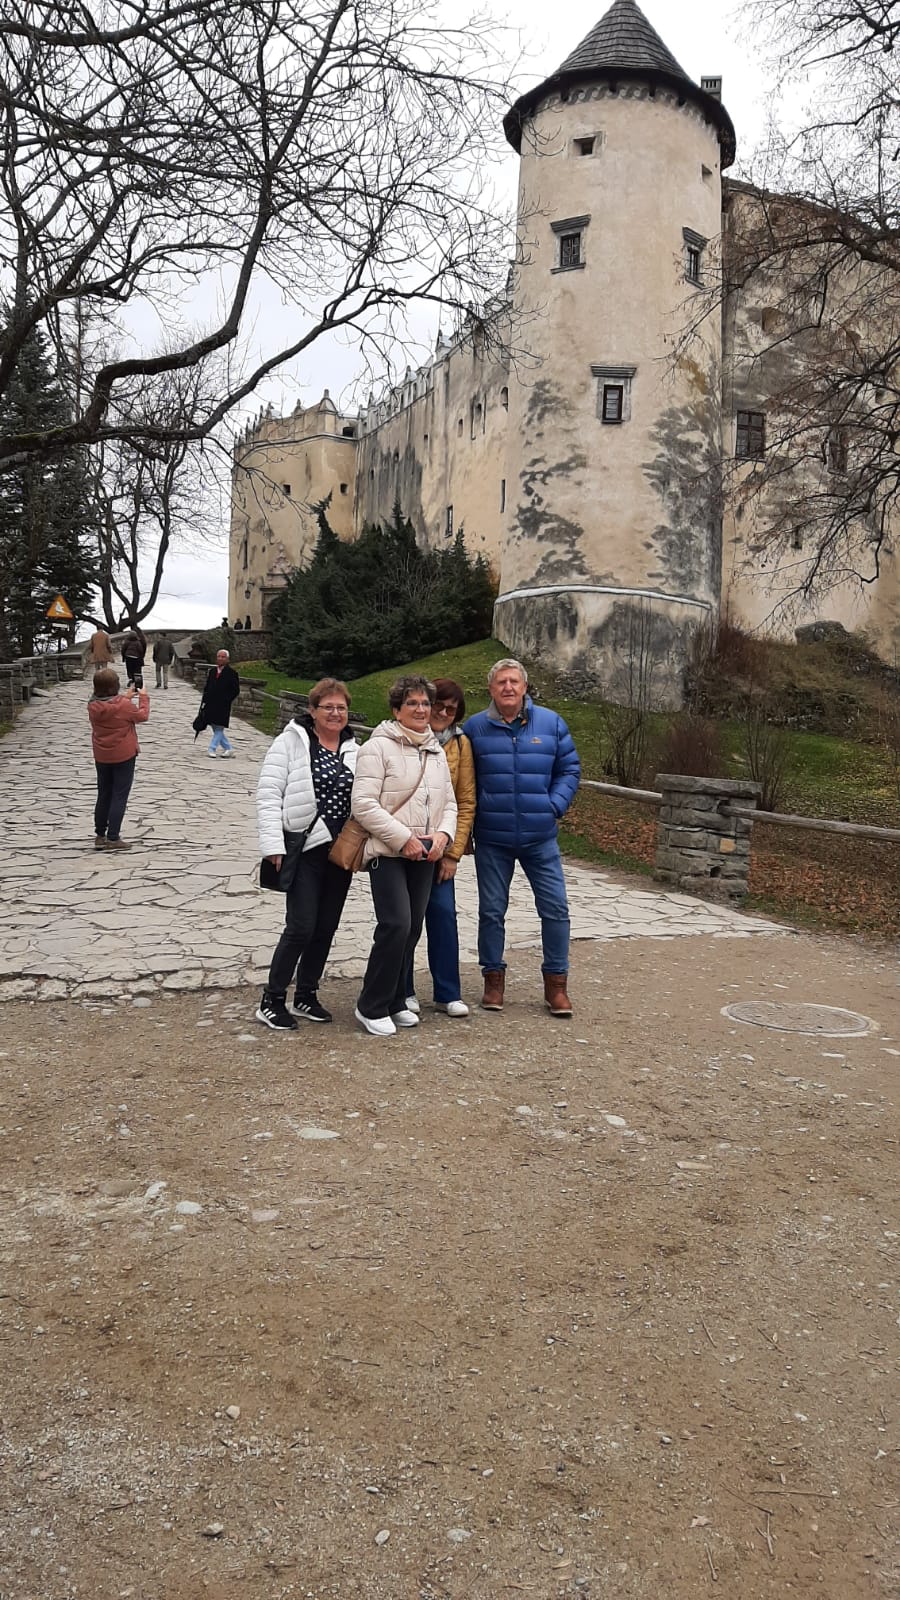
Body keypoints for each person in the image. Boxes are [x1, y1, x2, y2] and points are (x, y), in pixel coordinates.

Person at [463, 658, 580, 1017]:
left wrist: (553, 805)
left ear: (525, 687)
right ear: (491, 689)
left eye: (514, 681)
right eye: (501, 682)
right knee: (491, 911)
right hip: (492, 838)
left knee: (555, 909)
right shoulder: (475, 728)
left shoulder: (551, 723)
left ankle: (556, 984)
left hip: (540, 836)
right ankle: (493, 980)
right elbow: (462, 777)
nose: (508, 687)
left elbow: (569, 769)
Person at [351, 676, 457, 1037]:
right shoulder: (377, 748)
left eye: (425, 703)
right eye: (412, 703)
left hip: (425, 853)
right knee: (395, 924)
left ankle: (396, 999)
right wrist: (403, 839)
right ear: (397, 710)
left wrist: (443, 836)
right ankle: (371, 1004)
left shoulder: (435, 751)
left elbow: (450, 803)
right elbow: (364, 804)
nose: (421, 709)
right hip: (388, 852)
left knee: (411, 928)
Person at [255, 679, 361, 1031]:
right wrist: (273, 845)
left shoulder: (355, 750)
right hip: (303, 848)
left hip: (339, 852)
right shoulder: (290, 742)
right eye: (328, 707)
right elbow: (269, 793)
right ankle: (272, 999)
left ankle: (306, 993)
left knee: (325, 926)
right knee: (301, 926)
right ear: (313, 710)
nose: (335, 713)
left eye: (341, 707)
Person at [403, 678, 475, 1018]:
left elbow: (465, 800)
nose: (444, 713)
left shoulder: (460, 744)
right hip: (405, 844)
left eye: (452, 709)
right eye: (439, 706)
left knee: (444, 916)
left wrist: (453, 853)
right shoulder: (404, 737)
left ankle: (448, 992)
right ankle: (402, 990)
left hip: (440, 846)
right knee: (405, 920)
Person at [88, 668, 150, 851]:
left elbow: (112, 707)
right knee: (119, 795)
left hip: (102, 755)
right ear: (114, 685)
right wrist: (143, 697)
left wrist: (126, 697)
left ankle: (100, 835)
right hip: (123, 754)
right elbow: (142, 716)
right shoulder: (123, 705)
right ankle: (113, 837)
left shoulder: (93, 705)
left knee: (104, 793)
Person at [201, 649, 240, 757]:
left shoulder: (232, 673)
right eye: (219, 656)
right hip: (211, 704)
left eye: (223, 657)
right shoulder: (212, 671)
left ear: (227, 659)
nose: (220, 659)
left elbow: (235, 690)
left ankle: (212, 748)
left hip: (223, 705)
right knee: (215, 727)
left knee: (219, 727)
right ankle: (228, 748)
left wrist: (227, 700)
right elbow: (207, 687)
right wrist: (205, 700)